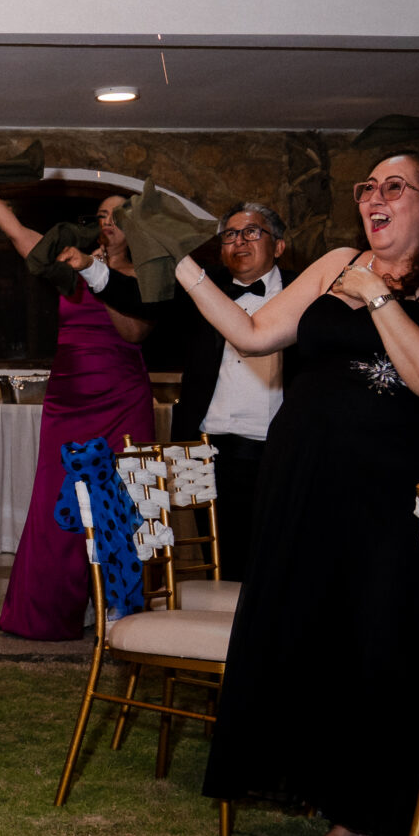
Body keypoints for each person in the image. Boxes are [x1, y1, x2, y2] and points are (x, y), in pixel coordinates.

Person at [173, 151, 419, 836]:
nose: (375, 197)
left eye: (395, 187)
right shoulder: (336, 262)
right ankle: (348, 813)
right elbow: (253, 334)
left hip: (386, 491)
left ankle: (407, 825)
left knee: (384, 644)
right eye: (368, 186)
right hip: (303, 481)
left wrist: (378, 296)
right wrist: (182, 269)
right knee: (322, 640)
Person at [0, 159, 160, 641]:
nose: (108, 222)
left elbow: (134, 332)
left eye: (119, 215)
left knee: (120, 502)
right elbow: (17, 231)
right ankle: (50, 611)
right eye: (102, 215)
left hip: (123, 399)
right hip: (68, 398)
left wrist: (100, 275)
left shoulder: (146, 274)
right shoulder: (67, 261)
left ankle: (117, 609)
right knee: (55, 501)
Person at [170, 203, 293, 580]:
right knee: (219, 562)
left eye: (252, 232)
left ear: (279, 246)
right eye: (230, 235)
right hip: (207, 447)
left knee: (279, 560)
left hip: (279, 449)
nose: (239, 241)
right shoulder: (199, 291)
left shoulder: (305, 293)